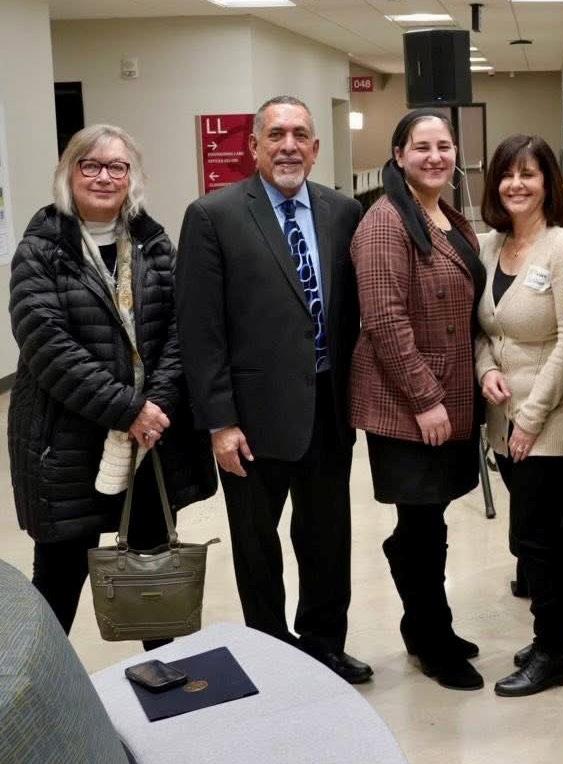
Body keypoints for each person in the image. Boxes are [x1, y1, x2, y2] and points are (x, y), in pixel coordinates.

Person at [176, 95, 371, 684]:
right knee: (257, 546)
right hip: (251, 419)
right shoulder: (213, 215)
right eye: (277, 135)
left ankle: (324, 645)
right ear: (254, 146)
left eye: (300, 135)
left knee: (328, 539)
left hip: (328, 408)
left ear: (315, 147)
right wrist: (220, 422)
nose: (289, 146)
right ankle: (270, 654)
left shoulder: (343, 212)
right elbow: (201, 330)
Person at [9, 125, 216, 646]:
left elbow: (180, 331)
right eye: (91, 165)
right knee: (57, 580)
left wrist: (157, 405)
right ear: (69, 173)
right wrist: (129, 409)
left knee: (152, 576)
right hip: (67, 443)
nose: (104, 177)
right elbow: (48, 347)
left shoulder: (154, 244)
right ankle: (37, 682)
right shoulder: (40, 250)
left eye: (117, 167)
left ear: (132, 177)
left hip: (148, 441)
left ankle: (161, 677)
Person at [349, 110, 484, 690]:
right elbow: (384, 320)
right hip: (409, 404)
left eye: (444, 146)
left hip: (452, 395)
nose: (435, 157)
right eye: (421, 147)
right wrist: (426, 398)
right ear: (399, 155)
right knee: (422, 523)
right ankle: (431, 639)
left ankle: (429, 624)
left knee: (430, 520)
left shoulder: (446, 216)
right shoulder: (385, 222)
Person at [474, 133, 563, 696]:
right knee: (534, 538)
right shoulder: (489, 247)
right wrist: (484, 371)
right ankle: (562, 629)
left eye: (529, 174)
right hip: (504, 418)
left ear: (548, 183)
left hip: (552, 417)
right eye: (507, 174)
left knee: (539, 540)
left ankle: (552, 653)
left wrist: (533, 417)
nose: (516, 184)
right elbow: (483, 330)